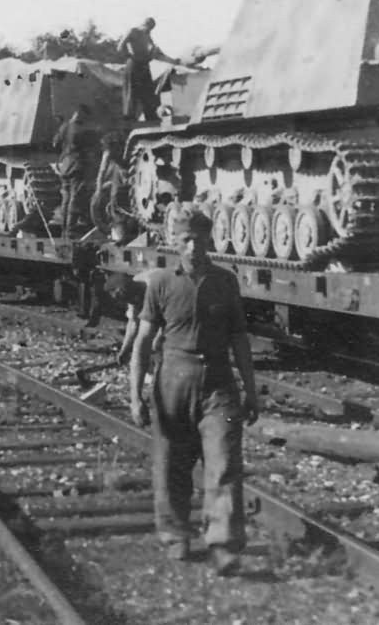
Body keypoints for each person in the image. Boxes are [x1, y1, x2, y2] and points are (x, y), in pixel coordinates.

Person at [129, 204, 260, 575]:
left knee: (223, 464)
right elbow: (142, 341)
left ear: (210, 240)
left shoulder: (225, 281)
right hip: (173, 379)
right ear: (174, 241)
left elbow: (239, 339)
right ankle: (176, 535)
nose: (193, 248)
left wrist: (251, 391)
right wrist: (134, 395)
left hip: (218, 384)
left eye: (200, 240)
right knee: (172, 464)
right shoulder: (161, 283)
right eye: (186, 240)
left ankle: (223, 545)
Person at [117, 17, 180, 122]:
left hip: (144, 66)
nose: (149, 30)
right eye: (148, 27)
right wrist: (130, 56)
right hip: (133, 65)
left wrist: (173, 61)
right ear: (143, 24)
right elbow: (120, 47)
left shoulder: (147, 36)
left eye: (151, 29)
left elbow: (157, 53)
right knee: (131, 92)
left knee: (149, 93)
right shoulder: (133, 31)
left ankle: (151, 117)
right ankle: (129, 118)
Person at [52, 105, 98, 238]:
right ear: (82, 115)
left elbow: (55, 143)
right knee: (75, 198)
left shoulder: (64, 127)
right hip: (77, 166)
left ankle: (64, 228)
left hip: (65, 165)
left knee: (66, 198)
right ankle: (70, 229)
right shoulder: (81, 130)